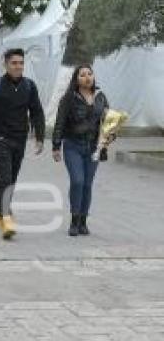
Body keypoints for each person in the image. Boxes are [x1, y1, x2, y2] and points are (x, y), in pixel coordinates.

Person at [0, 48, 45, 240]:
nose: (18, 67)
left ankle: (0, 210)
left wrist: (39, 137)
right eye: (14, 63)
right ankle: (6, 217)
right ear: (5, 64)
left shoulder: (29, 86)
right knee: (6, 178)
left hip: (20, 139)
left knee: (12, 179)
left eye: (21, 63)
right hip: (2, 140)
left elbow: (37, 112)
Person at [52, 65, 111, 237]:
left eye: (90, 74)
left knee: (87, 184)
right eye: (82, 75)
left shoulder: (101, 97)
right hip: (73, 146)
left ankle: (83, 221)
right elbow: (60, 123)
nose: (87, 77)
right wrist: (56, 146)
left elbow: (108, 122)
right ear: (76, 79)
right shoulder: (69, 98)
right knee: (77, 181)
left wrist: (108, 137)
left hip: (94, 147)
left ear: (94, 76)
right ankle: (74, 220)